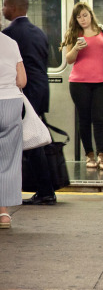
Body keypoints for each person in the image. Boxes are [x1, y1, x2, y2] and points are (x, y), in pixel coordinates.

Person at [2, 0, 55, 205]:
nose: (3, 9)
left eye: (5, 6)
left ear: (13, 8)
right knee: (35, 141)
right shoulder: (39, 32)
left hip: (23, 94)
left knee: (31, 144)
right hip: (41, 91)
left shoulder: (9, 35)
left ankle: (45, 191)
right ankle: (44, 189)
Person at [61, 2, 103, 171]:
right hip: (79, 83)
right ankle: (89, 155)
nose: (82, 19)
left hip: (102, 81)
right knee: (84, 119)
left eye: (84, 15)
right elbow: (69, 59)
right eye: (78, 17)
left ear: (90, 14)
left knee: (99, 119)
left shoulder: (101, 30)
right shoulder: (73, 33)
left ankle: (102, 156)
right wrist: (76, 47)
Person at [0, 30, 27, 228]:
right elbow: (22, 81)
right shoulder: (10, 42)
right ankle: (4, 214)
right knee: (8, 160)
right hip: (10, 103)